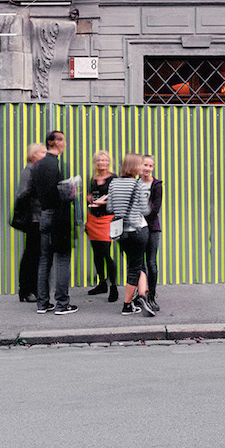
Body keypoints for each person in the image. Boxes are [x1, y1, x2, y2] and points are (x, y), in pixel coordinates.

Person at [33, 130, 77, 315]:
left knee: (45, 260)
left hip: (44, 214)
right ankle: (62, 303)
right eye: (63, 141)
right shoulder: (57, 165)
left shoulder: (38, 165)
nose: (65, 144)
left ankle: (42, 303)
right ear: (55, 143)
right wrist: (71, 193)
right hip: (59, 216)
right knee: (63, 259)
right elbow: (57, 194)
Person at [107, 152, 155, 316]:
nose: (142, 167)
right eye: (141, 164)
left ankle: (142, 295)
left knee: (136, 263)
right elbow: (145, 210)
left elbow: (110, 208)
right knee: (135, 268)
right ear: (135, 166)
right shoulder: (139, 184)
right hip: (138, 230)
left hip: (122, 232)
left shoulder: (113, 183)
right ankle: (127, 305)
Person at [14, 143, 46, 303]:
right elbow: (22, 194)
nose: (45, 155)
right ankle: (26, 290)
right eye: (42, 152)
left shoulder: (35, 170)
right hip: (34, 219)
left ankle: (31, 289)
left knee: (35, 254)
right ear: (34, 155)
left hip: (37, 217)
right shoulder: (29, 170)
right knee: (31, 255)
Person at [85, 150, 118, 303]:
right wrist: (88, 198)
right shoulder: (92, 178)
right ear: (95, 163)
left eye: (104, 160)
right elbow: (90, 196)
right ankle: (102, 283)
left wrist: (104, 202)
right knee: (97, 253)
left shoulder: (113, 179)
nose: (101, 163)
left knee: (105, 252)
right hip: (92, 218)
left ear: (109, 162)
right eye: (99, 160)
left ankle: (113, 287)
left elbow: (117, 199)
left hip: (106, 219)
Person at [141, 154, 163, 313]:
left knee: (151, 263)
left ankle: (152, 296)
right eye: (145, 165)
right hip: (138, 229)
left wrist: (140, 214)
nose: (147, 168)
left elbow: (155, 209)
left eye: (150, 166)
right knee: (139, 264)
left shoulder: (157, 185)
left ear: (153, 167)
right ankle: (141, 294)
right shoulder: (136, 184)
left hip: (152, 228)